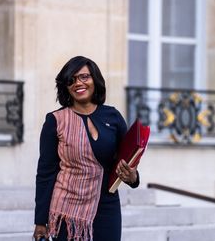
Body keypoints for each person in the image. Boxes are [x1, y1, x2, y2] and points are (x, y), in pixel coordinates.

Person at [33, 56, 140, 241]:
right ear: (65, 86)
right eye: (71, 80)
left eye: (84, 77)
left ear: (94, 80)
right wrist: (40, 221)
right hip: (66, 211)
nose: (78, 83)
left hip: (106, 206)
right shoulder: (55, 121)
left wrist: (133, 177)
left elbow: (128, 159)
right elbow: (46, 173)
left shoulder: (113, 117)